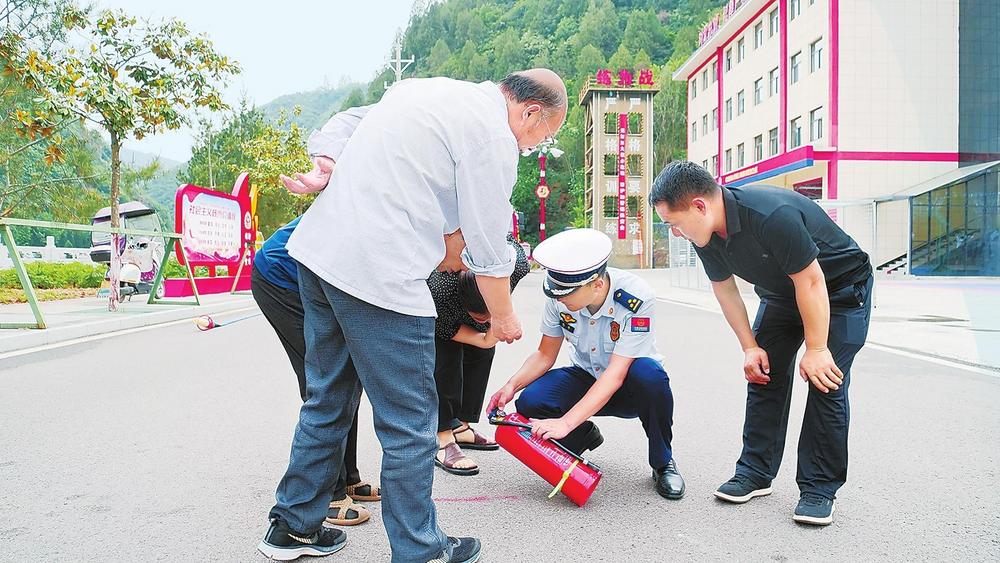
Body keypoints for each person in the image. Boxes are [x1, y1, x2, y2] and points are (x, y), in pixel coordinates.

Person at [257, 69, 568, 563]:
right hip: (380, 271)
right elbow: (490, 249)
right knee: (410, 421)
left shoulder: (427, 89)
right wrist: (505, 318)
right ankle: (420, 550)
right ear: (531, 111)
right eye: (541, 137)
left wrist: (326, 163)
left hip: (320, 256)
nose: (531, 146)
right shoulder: (492, 135)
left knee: (328, 399)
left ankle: (292, 528)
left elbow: (346, 121)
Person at [649, 161, 873, 526]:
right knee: (763, 373)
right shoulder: (704, 234)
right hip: (782, 295)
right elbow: (725, 290)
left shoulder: (772, 214)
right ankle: (755, 472)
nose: (674, 233)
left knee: (825, 381)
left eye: (673, 223)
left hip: (840, 292)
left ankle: (818, 489)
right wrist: (749, 346)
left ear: (699, 206)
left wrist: (817, 349)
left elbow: (811, 282)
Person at [487, 228, 686, 501]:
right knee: (531, 400)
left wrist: (566, 422)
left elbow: (616, 374)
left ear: (597, 285)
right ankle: (582, 436)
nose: (558, 298)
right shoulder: (559, 300)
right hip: (586, 375)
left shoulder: (636, 298)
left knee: (651, 375)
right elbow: (545, 355)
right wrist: (511, 386)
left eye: (566, 293)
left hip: (629, 387)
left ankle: (663, 463)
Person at [252, 216, 381, 528]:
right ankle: (329, 495)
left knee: (348, 377)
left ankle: (348, 478)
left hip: (318, 278)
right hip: (282, 278)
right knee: (328, 384)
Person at [431, 234, 530, 476]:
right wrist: (484, 337)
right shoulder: (441, 287)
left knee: (482, 355)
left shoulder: (514, 262)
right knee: (445, 360)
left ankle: (462, 427)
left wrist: (499, 317)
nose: (484, 321)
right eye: (479, 317)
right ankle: (443, 436)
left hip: (489, 280)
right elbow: (442, 327)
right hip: (440, 317)